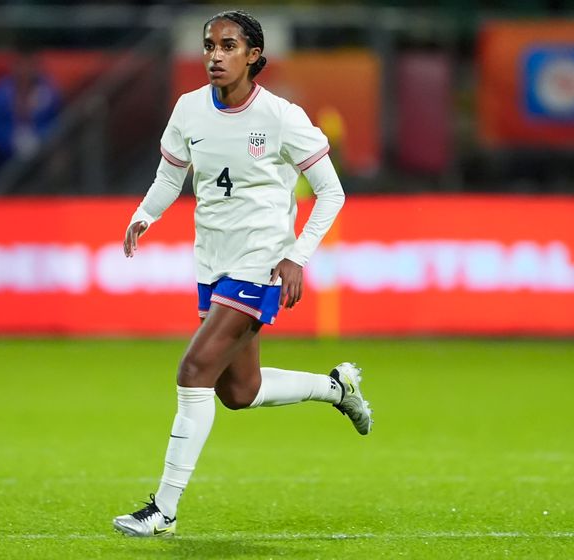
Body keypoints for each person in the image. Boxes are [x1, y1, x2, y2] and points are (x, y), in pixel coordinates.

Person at [112, 10, 373, 538]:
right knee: (239, 391)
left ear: (253, 55)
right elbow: (170, 175)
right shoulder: (189, 109)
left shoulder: (280, 116)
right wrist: (144, 214)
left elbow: (332, 190)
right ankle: (335, 387)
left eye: (228, 46)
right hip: (211, 259)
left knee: (193, 372)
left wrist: (297, 256)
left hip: (260, 260)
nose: (214, 54)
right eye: (210, 45)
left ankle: (162, 509)